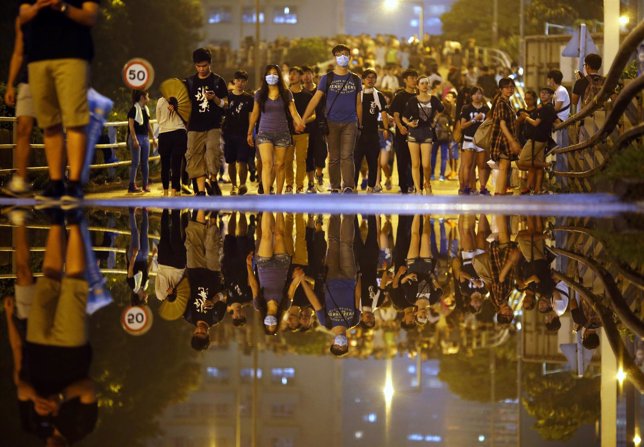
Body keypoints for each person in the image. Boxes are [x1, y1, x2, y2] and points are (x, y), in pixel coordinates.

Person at [9, 209, 99, 444]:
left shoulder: (32, 426)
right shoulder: (80, 429)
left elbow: (21, 389)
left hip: (36, 344)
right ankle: (76, 214)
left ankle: (57, 217)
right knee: (74, 278)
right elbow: (89, 389)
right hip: (70, 348)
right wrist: (61, 397)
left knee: (49, 275)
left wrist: (35, 397)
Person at [20, 0, 100, 205]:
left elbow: (90, 17)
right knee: (49, 124)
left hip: (73, 54)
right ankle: (56, 184)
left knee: (74, 120)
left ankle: (74, 186)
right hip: (38, 56)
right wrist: (39, 6)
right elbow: (22, 16)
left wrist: (63, 6)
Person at [301, 44, 363, 193]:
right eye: (339, 54)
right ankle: (335, 186)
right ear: (335, 57)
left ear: (349, 57)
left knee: (347, 155)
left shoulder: (355, 79)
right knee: (334, 157)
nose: (343, 57)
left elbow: (358, 103)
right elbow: (315, 99)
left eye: (345, 54)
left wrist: (360, 124)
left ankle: (348, 185)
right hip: (331, 122)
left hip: (350, 121)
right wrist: (303, 119)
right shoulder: (326, 78)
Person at [301, 214, 360, 356]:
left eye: (337, 346)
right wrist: (359, 278)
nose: (340, 344)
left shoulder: (325, 322)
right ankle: (348, 208)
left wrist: (302, 281)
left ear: (333, 342)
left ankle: (334, 209)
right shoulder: (354, 320)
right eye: (343, 347)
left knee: (333, 242)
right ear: (347, 343)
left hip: (331, 278)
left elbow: (314, 302)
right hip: (349, 277)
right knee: (346, 244)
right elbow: (357, 298)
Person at [248, 65, 305, 195]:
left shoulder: (286, 93)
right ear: (265, 76)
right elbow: (255, 114)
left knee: (280, 165)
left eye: (275, 74)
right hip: (264, 133)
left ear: (279, 76)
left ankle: (278, 194)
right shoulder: (259, 94)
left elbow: (294, 112)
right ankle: (267, 194)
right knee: (267, 163)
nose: (272, 76)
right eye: (269, 74)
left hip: (282, 133)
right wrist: (249, 132)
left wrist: (300, 122)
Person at [185, 48, 228, 196]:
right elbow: (183, 102)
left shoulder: (218, 81)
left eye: (204, 65)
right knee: (194, 156)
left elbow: (226, 104)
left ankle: (213, 179)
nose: (201, 69)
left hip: (213, 125)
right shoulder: (189, 82)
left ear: (210, 64)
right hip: (194, 126)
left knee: (212, 153)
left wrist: (215, 99)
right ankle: (201, 191)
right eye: (198, 66)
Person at [247, 213, 299, 335]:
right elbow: (292, 288)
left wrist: (249, 266)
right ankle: (278, 199)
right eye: (273, 325)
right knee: (279, 235)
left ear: (263, 323)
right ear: (277, 323)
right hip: (282, 266)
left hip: (263, 266)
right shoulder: (284, 306)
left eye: (268, 325)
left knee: (266, 236)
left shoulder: (258, 305)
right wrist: (298, 278)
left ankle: (267, 199)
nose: (270, 322)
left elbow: (254, 285)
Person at [184, 209, 226, 351]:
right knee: (210, 242)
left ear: (194, 332)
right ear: (208, 334)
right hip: (212, 272)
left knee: (192, 240)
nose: (200, 330)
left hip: (194, 270)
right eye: (203, 333)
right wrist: (214, 300)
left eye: (198, 333)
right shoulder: (216, 317)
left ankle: (201, 200)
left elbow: (184, 295)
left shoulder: (189, 316)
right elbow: (225, 295)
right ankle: (214, 212)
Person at [3, 17, 35, 197]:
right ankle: (20, 181)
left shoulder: (59, 11)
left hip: (53, 78)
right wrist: (10, 84)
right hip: (28, 79)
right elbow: (18, 52)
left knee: (53, 131)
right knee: (23, 126)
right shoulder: (24, 17)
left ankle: (58, 181)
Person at [402, 77, 444, 195]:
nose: (425, 85)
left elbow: (441, 109)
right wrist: (408, 123)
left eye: (426, 83)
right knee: (415, 163)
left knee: (426, 164)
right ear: (418, 86)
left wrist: (435, 119)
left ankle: (427, 183)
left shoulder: (434, 99)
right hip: (414, 133)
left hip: (427, 132)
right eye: (422, 83)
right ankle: (418, 189)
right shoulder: (412, 100)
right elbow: (404, 116)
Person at [355, 69, 390, 193]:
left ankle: (371, 186)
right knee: (356, 161)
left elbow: (384, 113)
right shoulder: (358, 93)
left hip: (373, 133)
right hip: (358, 133)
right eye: (368, 77)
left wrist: (386, 128)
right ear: (363, 79)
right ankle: (353, 186)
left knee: (373, 162)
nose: (370, 79)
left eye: (373, 77)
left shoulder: (378, 95)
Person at [517, 87, 556, 194]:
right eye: (542, 93)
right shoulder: (548, 108)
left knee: (522, 161)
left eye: (546, 93)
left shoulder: (544, 108)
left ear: (551, 96)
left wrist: (526, 117)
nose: (543, 95)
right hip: (543, 138)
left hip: (536, 138)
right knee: (537, 164)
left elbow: (535, 123)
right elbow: (556, 121)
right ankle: (537, 189)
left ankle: (548, 165)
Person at [223, 70, 254, 195]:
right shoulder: (227, 96)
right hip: (229, 133)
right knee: (230, 162)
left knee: (243, 161)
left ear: (245, 83)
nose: (240, 83)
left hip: (243, 134)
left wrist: (250, 133)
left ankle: (242, 184)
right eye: (238, 80)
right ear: (234, 81)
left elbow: (251, 117)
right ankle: (234, 185)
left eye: (243, 81)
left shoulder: (249, 98)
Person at [285, 66, 315, 193]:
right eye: (290, 73)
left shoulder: (307, 95)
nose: (292, 76)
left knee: (301, 160)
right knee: (287, 160)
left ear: (301, 77)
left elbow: (314, 115)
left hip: (303, 132)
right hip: (287, 133)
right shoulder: (285, 94)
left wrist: (302, 123)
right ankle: (289, 184)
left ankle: (299, 185)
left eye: (295, 74)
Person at [489, 78, 521, 195]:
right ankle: (499, 194)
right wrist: (512, 142)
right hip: (502, 140)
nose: (510, 89)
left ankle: (499, 193)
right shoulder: (502, 103)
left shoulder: (507, 102)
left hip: (505, 138)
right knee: (504, 167)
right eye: (507, 87)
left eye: (512, 87)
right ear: (501, 89)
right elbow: (502, 124)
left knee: (504, 167)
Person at [390, 69, 418, 194]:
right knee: (402, 160)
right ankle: (403, 186)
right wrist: (400, 126)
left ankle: (415, 184)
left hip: (417, 134)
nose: (414, 80)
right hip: (402, 134)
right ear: (405, 80)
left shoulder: (420, 96)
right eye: (411, 78)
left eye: (415, 78)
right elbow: (396, 114)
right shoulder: (400, 96)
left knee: (416, 161)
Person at [459, 86, 490, 195]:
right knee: (468, 165)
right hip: (469, 139)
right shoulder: (466, 108)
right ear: (471, 96)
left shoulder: (486, 109)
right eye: (475, 94)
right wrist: (474, 120)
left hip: (481, 140)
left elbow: (490, 124)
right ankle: (467, 187)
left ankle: (482, 188)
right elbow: (462, 126)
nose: (477, 96)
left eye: (479, 93)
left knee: (482, 165)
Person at [301, 65, 327, 192]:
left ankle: (319, 173)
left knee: (321, 152)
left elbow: (325, 109)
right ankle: (311, 182)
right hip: (305, 128)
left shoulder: (320, 91)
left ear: (313, 75)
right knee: (308, 155)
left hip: (319, 127)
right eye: (303, 74)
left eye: (308, 73)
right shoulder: (298, 93)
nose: (306, 76)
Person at [156, 93, 187, 197]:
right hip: (179, 133)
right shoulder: (181, 101)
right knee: (176, 165)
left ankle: (165, 192)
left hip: (164, 134)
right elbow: (186, 117)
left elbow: (158, 119)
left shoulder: (160, 101)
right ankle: (174, 191)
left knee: (165, 165)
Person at [127, 90, 156, 193]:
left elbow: (148, 125)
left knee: (145, 162)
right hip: (136, 137)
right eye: (147, 96)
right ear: (142, 97)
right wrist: (134, 139)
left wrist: (153, 138)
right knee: (135, 162)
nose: (148, 97)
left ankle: (145, 185)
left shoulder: (145, 109)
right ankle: (131, 185)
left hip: (145, 137)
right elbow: (131, 126)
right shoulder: (134, 109)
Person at [155, 209, 187, 302]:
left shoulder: (177, 298)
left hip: (178, 265)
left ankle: (175, 208)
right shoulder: (159, 295)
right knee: (166, 232)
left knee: (175, 233)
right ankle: (167, 209)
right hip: (165, 263)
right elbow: (158, 276)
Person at [546, 69, 570, 148]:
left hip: (560, 121)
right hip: (559, 120)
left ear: (552, 79)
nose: (548, 81)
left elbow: (555, 109)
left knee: (559, 147)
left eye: (548, 79)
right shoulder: (558, 90)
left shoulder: (561, 91)